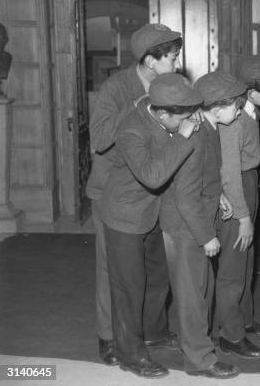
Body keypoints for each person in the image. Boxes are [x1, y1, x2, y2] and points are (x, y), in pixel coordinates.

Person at [86, 23, 182, 366]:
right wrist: (139, 105)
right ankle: (109, 339)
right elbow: (98, 139)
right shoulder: (116, 87)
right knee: (114, 269)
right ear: (151, 61)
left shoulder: (169, 84)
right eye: (172, 58)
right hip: (114, 191)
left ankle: (153, 330)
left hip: (154, 187)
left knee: (156, 267)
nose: (177, 64)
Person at [100, 73, 202, 379]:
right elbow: (152, 176)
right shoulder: (131, 129)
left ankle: (155, 332)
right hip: (125, 215)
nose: (189, 120)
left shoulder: (162, 110)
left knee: (158, 279)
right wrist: (182, 136)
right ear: (161, 113)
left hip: (153, 212)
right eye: (181, 116)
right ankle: (129, 352)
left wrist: (182, 120)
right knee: (129, 288)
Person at [159, 71, 246, 379]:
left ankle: (199, 347)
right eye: (237, 104)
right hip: (186, 226)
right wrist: (206, 236)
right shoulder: (196, 136)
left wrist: (219, 194)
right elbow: (184, 196)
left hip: (193, 219)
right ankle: (200, 361)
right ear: (218, 107)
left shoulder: (207, 129)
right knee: (194, 296)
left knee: (201, 289)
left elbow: (201, 179)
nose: (239, 109)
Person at [215, 55, 260, 358]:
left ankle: (243, 320)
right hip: (236, 187)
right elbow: (228, 172)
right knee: (233, 266)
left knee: (246, 257)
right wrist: (242, 216)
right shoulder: (234, 120)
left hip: (248, 180)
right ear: (251, 90)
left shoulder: (249, 111)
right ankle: (230, 335)